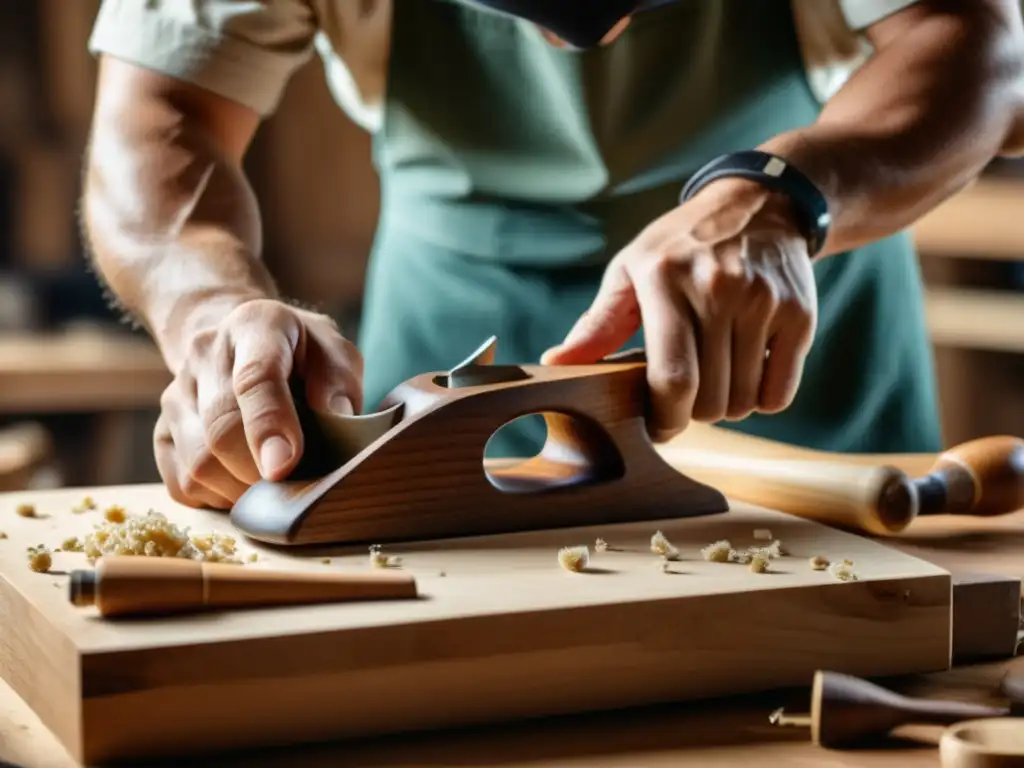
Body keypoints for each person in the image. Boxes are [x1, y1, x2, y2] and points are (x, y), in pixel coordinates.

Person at [81, 0, 1024, 511]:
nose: (588, 37)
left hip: (798, 373)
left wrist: (783, 193)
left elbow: (985, 44)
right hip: (438, 354)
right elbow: (163, 113)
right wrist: (209, 311)